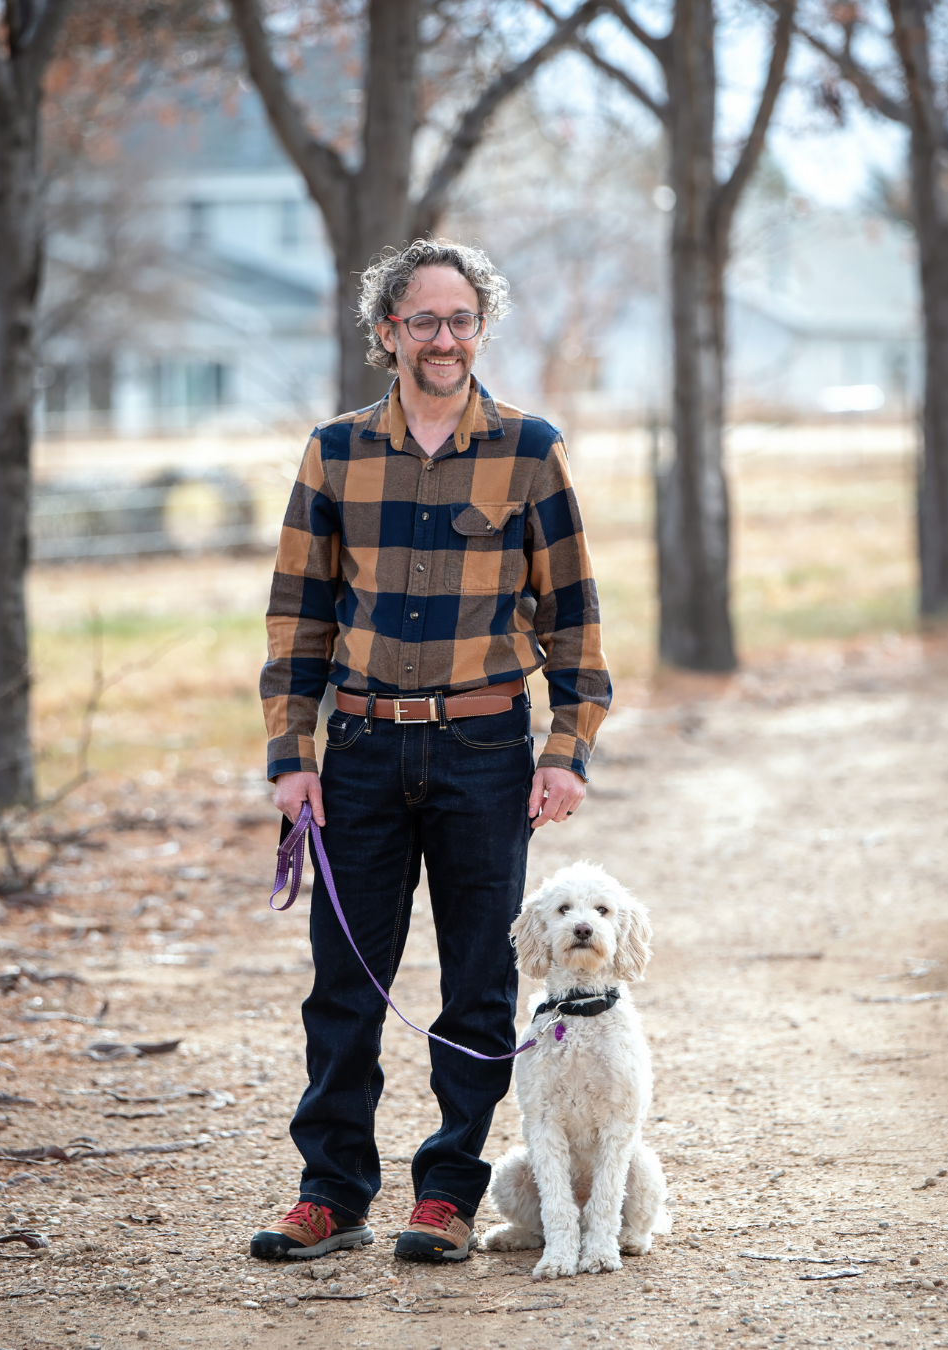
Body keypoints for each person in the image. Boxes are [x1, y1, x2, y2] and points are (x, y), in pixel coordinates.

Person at [251, 238, 611, 1265]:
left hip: (486, 750)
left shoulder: (530, 448)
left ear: (479, 329)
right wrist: (293, 752)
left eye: (461, 320)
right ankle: (331, 1193)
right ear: (387, 335)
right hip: (359, 749)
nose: (443, 338)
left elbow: (574, 619)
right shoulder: (334, 452)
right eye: (423, 321)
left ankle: (447, 1194)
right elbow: (299, 619)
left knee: (477, 984)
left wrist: (566, 747)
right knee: (342, 981)